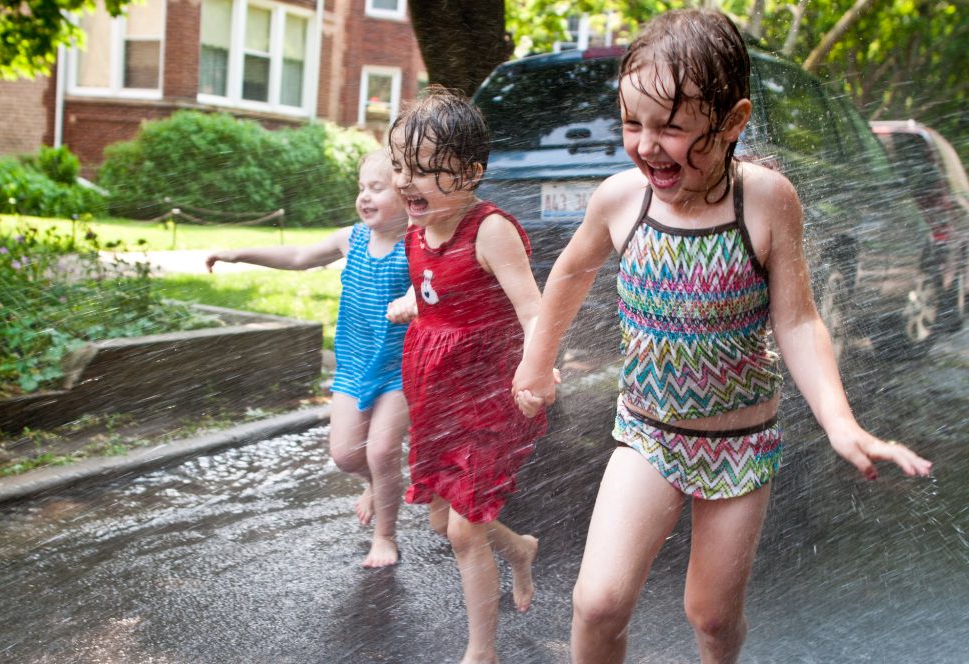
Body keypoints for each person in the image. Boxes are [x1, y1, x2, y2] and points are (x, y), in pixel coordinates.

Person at [511, 9, 933, 664]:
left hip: (739, 449)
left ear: (732, 122)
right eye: (632, 124)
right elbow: (570, 272)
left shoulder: (766, 202)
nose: (648, 145)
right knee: (597, 603)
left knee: (710, 617)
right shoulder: (622, 200)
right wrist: (538, 363)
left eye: (673, 128)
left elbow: (798, 320)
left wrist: (841, 423)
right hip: (648, 436)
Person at [384, 86, 547, 664]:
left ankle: (482, 652)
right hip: (437, 394)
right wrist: (413, 299)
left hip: (486, 392)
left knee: (462, 531)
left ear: (472, 173)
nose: (407, 181)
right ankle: (520, 549)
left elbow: (533, 309)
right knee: (438, 517)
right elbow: (435, 280)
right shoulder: (416, 230)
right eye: (401, 166)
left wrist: (539, 371)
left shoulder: (491, 230)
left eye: (426, 170)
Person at [205, 149, 411, 569]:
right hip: (353, 365)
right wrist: (238, 254)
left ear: (408, 195)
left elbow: (435, 285)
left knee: (382, 451)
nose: (365, 197)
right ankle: (375, 484)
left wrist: (411, 299)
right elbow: (299, 258)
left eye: (377, 189)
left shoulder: (417, 246)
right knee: (347, 456)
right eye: (361, 189)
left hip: (400, 368)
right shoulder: (350, 239)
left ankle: (385, 535)